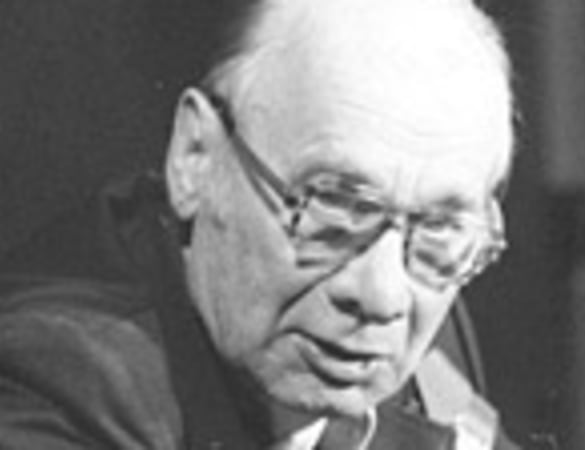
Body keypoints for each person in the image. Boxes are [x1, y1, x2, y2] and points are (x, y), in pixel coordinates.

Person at [0, 0, 520, 448]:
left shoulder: (431, 335)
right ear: (196, 157)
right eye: (334, 206)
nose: (382, 296)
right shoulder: (57, 385)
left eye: (438, 226)